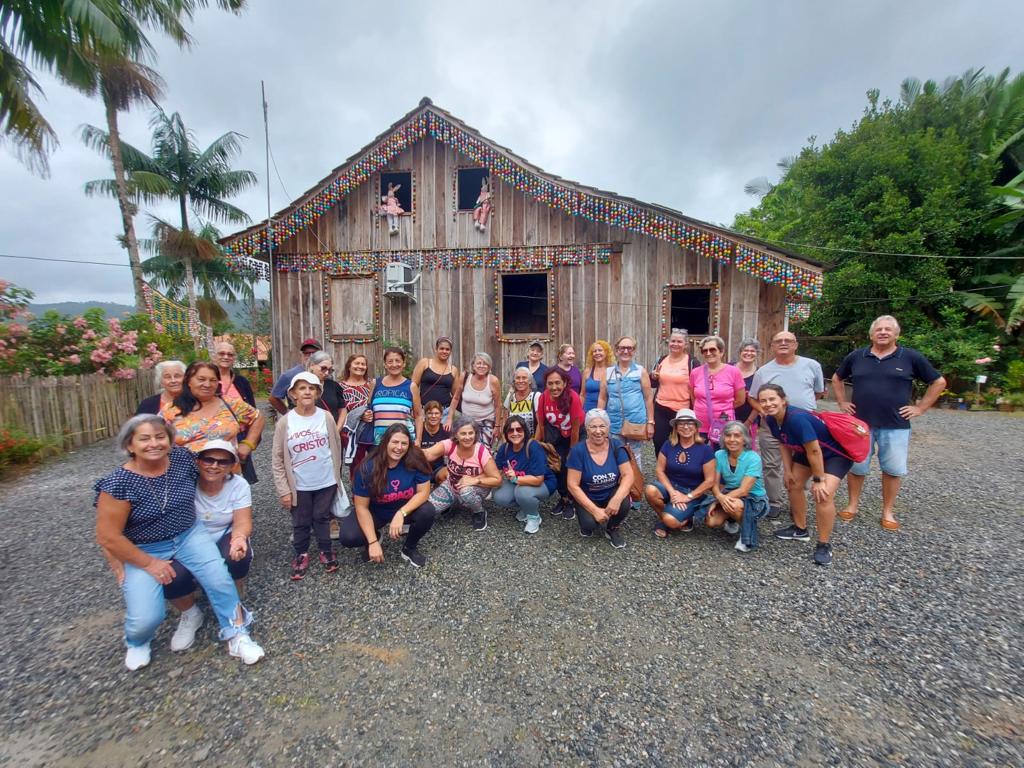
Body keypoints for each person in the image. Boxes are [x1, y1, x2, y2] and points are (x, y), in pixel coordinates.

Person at [95, 415, 264, 670]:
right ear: (130, 445)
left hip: (188, 534)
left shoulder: (182, 460)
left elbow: (219, 466)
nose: (154, 443)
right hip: (144, 547)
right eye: (144, 438)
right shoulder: (118, 484)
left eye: (160, 437)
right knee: (146, 617)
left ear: (171, 441)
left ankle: (238, 633)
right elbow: (108, 536)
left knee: (219, 579)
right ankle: (138, 641)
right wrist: (147, 564)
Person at [831, 315, 946, 530]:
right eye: (879, 329)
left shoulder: (910, 357)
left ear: (896, 334)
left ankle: (888, 511)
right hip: (860, 424)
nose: (883, 332)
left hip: (896, 424)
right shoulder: (857, 356)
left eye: (888, 329)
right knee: (857, 467)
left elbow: (938, 381)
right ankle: (852, 505)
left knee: (893, 469)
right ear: (871, 334)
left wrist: (920, 408)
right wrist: (842, 402)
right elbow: (837, 378)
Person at [163, 439, 254, 653]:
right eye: (208, 459)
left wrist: (239, 538)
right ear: (197, 461)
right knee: (170, 574)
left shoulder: (239, 485)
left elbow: (243, 520)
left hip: (223, 533)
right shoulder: (184, 484)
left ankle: (235, 589)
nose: (214, 466)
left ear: (232, 465)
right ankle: (190, 612)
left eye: (222, 462)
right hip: (187, 539)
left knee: (237, 554)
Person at [758, 383, 854, 567]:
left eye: (772, 399)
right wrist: (787, 471)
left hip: (832, 455)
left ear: (783, 400)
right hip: (806, 453)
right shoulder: (770, 419)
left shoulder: (797, 418)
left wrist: (819, 479)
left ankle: (824, 544)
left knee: (823, 495)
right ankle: (800, 529)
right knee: (793, 484)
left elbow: (815, 451)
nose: (768, 403)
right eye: (763, 400)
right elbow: (783, 443)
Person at [271, 372, 344, 580]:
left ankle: (325, 550)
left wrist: (336, 478)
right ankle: (301, 554)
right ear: (293, 393)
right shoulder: (285, 422)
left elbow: (335, 447)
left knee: (322, 517)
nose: (307, 392)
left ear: (317, 393)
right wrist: (284, 490)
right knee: (301, 520)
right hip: (299, 484)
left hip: (325, 480)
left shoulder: (326, 417)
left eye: (312, 388)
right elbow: (277, 459)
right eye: (302, 388)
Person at [749, 332, 824, 521]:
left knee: (804, 464)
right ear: (772, 346)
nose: (783, 344)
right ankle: (774, 502)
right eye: (778, 341)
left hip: (802, 426)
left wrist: (799, 411)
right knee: (771, 465)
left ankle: (798, 502)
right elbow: (752, 397)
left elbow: (818, 392)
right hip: (772, 426)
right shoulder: (763, 371)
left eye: (788, 341)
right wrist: (764, 411)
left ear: (796, 344)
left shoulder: (812, 365)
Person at [343, 423, 437, 568]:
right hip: (376, 512)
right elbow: (361, 507)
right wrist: (372, 542)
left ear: (409, 445)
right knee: (349, 536)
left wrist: (401, 513)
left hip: (405, 509)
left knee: (428, 511)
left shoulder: (416, 459)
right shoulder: (367, 467)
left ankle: (409, 548)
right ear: (385, 442)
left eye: (404, 443)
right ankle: (376, 536)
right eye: (395, 442)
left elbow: (424, 492)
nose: (399, 447)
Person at [161, 362, 265, 468]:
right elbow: (154, 437)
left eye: (213, 380)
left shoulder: (231, 404)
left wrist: (248, 444)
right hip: (184, 478)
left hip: (226, 475)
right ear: (188, 381)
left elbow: (257, 417)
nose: (207, 384)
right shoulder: (171, 409)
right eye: (201, 379)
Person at [566, 409, 633, 549]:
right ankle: (589, 517)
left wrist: (616, 499)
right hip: (588, 495)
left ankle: (612, 527)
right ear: (587, 429)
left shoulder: (616, 446)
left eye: (602, 426)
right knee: (588, 526)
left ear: (608, 427)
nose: (598, 431)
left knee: (624, 502)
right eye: (593, 426)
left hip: (610, 493)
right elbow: (572, 485)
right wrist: (594, 510)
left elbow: (628, 475)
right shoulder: (578, 451)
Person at [645, 408, 715, 538]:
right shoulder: (668, 444)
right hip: (671, 487)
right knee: (650, 490)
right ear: (676, 428)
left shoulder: (705, 450)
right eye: (681, 423)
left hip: (692, 492)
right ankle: (667, 516)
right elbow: (659, 470)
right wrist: (672, 492)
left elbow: (710, 481)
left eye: (690, 423)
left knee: (671, 521)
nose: (686, 426)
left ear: (696, 427)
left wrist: (687, 497)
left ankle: (683, 517)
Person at [422, 417, 502, 531]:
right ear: (456, 435)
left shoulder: (481, 451)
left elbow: (497, 480)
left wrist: (476, 480)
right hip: (452, 485)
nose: (468, 437)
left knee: (466, 492)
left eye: (471, 433)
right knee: (429, 510)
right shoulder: (450, 444)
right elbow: (428, 454)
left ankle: (479, 511)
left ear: (475, 434)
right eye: (463, 433)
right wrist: (408, 450)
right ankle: (453, 501)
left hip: (476, 487)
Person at [705, 421, 770, 553]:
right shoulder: (719, 455)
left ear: (744, 439)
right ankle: (732, 520)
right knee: (712, 522)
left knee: (733, 505)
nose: (732, 439)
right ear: (723, 438)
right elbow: (714, 483)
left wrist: (718, 501)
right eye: (728, 435)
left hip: (754, 498)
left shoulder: (753, 458)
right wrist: (718, 496)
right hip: (730, 494)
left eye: (737, 436)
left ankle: (747, 532)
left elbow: (744, 490)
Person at [535, 367, 584, 519]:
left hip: (576, 434)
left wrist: (572, 451)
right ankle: (563, 498)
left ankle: (572, 500)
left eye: (558, 383)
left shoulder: (572, 397)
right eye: (550, 383)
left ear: (564, 383)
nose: (554, 387)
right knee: (556, 466)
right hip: (557, 434)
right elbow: (541, 424)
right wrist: (536, 444)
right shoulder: (543, 397)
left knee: (570, 465)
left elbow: (575, 428)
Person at [494, 416, 557, 534]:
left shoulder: (533, 447)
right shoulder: (505, 448)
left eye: (519, 429)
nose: (515, 433)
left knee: (522, 492)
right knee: (499, 497)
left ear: (525, 431)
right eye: (511, 430)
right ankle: (526, 507)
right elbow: (496, 471)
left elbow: (538, 479)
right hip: (518, 482)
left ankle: (534, 517)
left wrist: (516, 478)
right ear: (506, 433)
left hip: (544, 483)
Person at [597, 335, 654, 466]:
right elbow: (602, 397)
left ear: (634, 351)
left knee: (635, 455)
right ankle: (620, 484)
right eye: (622, 348)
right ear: (617, 351)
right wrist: (599, 420)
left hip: (635, 422)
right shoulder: (608, 372)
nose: (626, 351)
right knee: (616, 454)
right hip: (614, 422)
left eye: (629, 348)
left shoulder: (640, 371)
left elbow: (648, 397)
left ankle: (636, 485)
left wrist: (650, 422)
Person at [689, 335, 745, 448]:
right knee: (699, 455)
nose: (708, 353)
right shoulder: (695, 372)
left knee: (722, 456)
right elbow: (693, 397)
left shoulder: (733, 372)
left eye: (712, 349)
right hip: (700, 423)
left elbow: (740, 400)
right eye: (705, 350)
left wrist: (723, 408)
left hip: (723, 423)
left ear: (721, 351)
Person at [364, 346, 422, 447]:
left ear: (404, 364)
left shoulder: (411, 386)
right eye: (390, 361)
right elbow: (369, 409)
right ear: (385, 364)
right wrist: (365, 415)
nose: (394, 364)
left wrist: (418, 440)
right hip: (379, 443)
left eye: (398, 361)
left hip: (403, 443)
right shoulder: (375, 383)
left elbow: (418, 416)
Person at [650, 328, 693, 452]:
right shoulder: (661, 360)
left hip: (683, 409)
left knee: (683, 442)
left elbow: (698, 386)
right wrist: (653, 376)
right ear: (668, 342)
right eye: (673, 341)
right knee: (659, 442)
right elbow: (653, 383)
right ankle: (662, 468)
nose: (675, 344)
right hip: (661, 407)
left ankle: (680, 468)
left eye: (679, 342)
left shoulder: (691, 362)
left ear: (685, 345)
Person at [449, 352, 500, 447]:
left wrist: (497, 426)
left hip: (486, 421)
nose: (482, 366)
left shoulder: (493, 381)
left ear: (489, 367)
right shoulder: (465, 376)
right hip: (466, 421)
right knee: (465, 447)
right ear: (473, 365)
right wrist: (449, 419)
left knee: (484, 449)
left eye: (485, 364)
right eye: (479, 363)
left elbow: (497, 406)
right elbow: (455, 398)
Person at [337, 353, 375, 479]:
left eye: (363, 364)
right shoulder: (341, 387)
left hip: (371, 428)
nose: (360, 366)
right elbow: (340, 411)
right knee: (356, 465)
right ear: (349, 366)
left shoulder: (371, 384)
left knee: (374, 462)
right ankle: (357, 492)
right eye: (357, 363)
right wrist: (359, 415)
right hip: (351, 431)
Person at [411, 336, 461, 428]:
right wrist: (415, 408)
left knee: (443, 440)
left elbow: (456, 395)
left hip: (444, 412)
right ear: (436, 349)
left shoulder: (453, 369)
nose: (444, 351)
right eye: (441, 348)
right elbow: (413, 386)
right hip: (424, 410)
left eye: (447, 349)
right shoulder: (425, 363)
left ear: (450, 351)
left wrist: (451, 415)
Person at [269, 338, 322, 415]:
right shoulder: (290, 375)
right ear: (302, 355)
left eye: (314, 353)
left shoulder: (325, 374)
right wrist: (288, 414)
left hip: (321, 419)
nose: (310, 356)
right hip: (299, 421)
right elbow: (273, 398)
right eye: (306, 353)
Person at [500, 366, 541, 438]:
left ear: (530, 381)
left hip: (531, 441)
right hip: (513, 441)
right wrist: (505, 442)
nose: (520, 381)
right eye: (518, 378)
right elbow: (504, 422)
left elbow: (540, 424)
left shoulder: (536, 396)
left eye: (524, 378)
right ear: (514, 381)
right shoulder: (510, 396)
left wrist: (534, 444)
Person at [307, 351, 345, 424]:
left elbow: (342, 409)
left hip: (332, 430)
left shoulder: (334, 386)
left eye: (330, 370)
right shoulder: (301, 385)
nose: (327, 373)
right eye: (323, 368)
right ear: (312, 365)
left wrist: (336, 430)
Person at [732, 338, 760, 432]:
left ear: (757, 354)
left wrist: (748, 422)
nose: (748, 353)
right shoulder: (728, 369)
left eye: (752, 351)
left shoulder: (760, 373)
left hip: (749, 419)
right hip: (726, 417)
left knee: (746, 446)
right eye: (745, 350)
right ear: (740, 352)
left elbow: (759, 401)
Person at [419, 400, 451, 482]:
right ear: (425, 415)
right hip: (419, 469)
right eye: (430, 413)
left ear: (441, 415)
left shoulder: (446, 431)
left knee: (447, 472)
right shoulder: (418, 430)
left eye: (436, 413)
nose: (433, 416)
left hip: (438, 469)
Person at [581, 339, 613, 414]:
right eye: (594, 351)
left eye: (600, 350)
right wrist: (580, 411)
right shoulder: (587, 371)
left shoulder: (612, 371)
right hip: (588, 411)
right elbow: (582, 394)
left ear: (606, 353)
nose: (597, 353)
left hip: (607, 412)